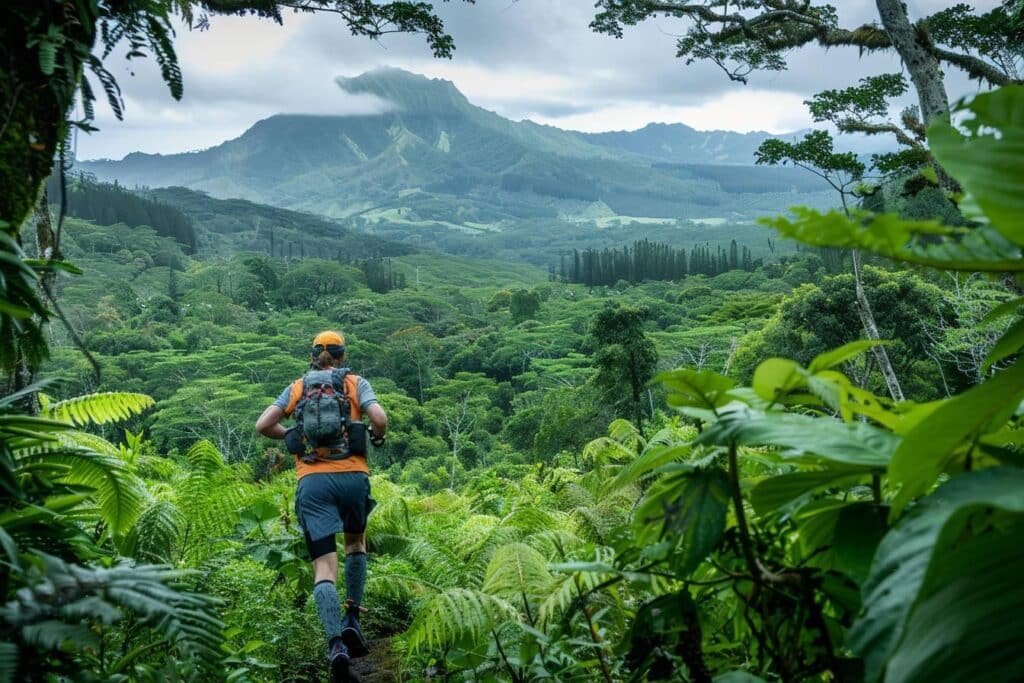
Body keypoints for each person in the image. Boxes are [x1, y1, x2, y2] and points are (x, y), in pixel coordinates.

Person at [256, 330, 387, 682]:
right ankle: (352, 620)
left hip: (312, 482)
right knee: (356, 544)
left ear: (314, 355)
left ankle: (335, 647)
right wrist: (376, 436)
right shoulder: (357, 383)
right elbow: (380, 418)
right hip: (352, 478)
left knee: (323, 568)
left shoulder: (297, 387)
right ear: (342, 355)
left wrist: (291, 436)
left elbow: (263, 424)